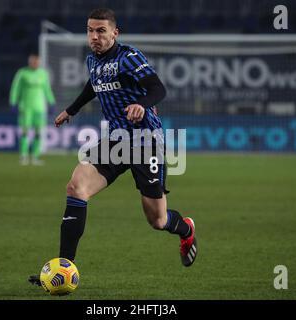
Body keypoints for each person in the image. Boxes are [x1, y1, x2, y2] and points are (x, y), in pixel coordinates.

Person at [29, 8, 197, 285]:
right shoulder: (92, 61)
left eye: (101, 31)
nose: (94, 36)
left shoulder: (128, 57)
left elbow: (158, 89)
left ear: (114, 33)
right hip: (117, 141)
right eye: (90, 30)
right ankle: (63, 269)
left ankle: (185, 229)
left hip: (146, 141)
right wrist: (71, 110)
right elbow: (92, 87)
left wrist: (140, 105)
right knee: (76, 186)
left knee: (157, 219)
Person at [9, 54, 56, 165]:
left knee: (38, 133)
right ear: (29, 62)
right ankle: (23, 156)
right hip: (25, 108)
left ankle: (35, 156)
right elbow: (15, 88)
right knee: (25, 132)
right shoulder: (22, 73)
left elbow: (47, 90)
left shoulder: (43, 74)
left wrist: (51, 102)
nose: (35, 63)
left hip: (39, 108)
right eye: (33, 61)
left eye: (37, 62)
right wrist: (13, 102)